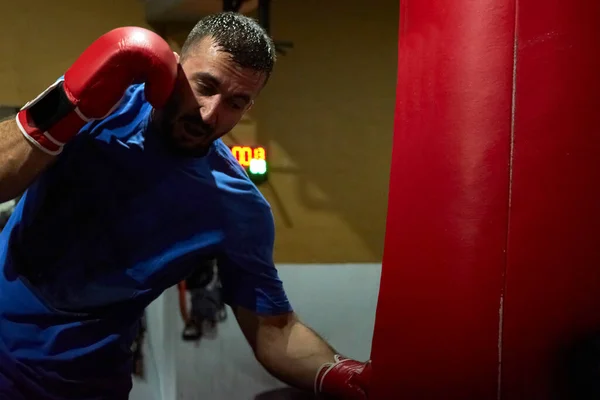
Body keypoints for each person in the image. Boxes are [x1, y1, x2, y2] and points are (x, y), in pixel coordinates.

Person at [0, 12, 371, 400]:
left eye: (236, 102)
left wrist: (345, 376)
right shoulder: (103, 103)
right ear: (175, 65)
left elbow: (274, 330)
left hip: (80, 385)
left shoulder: (237, 206)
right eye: (205, 86)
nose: (211, 114)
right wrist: (65, 107)